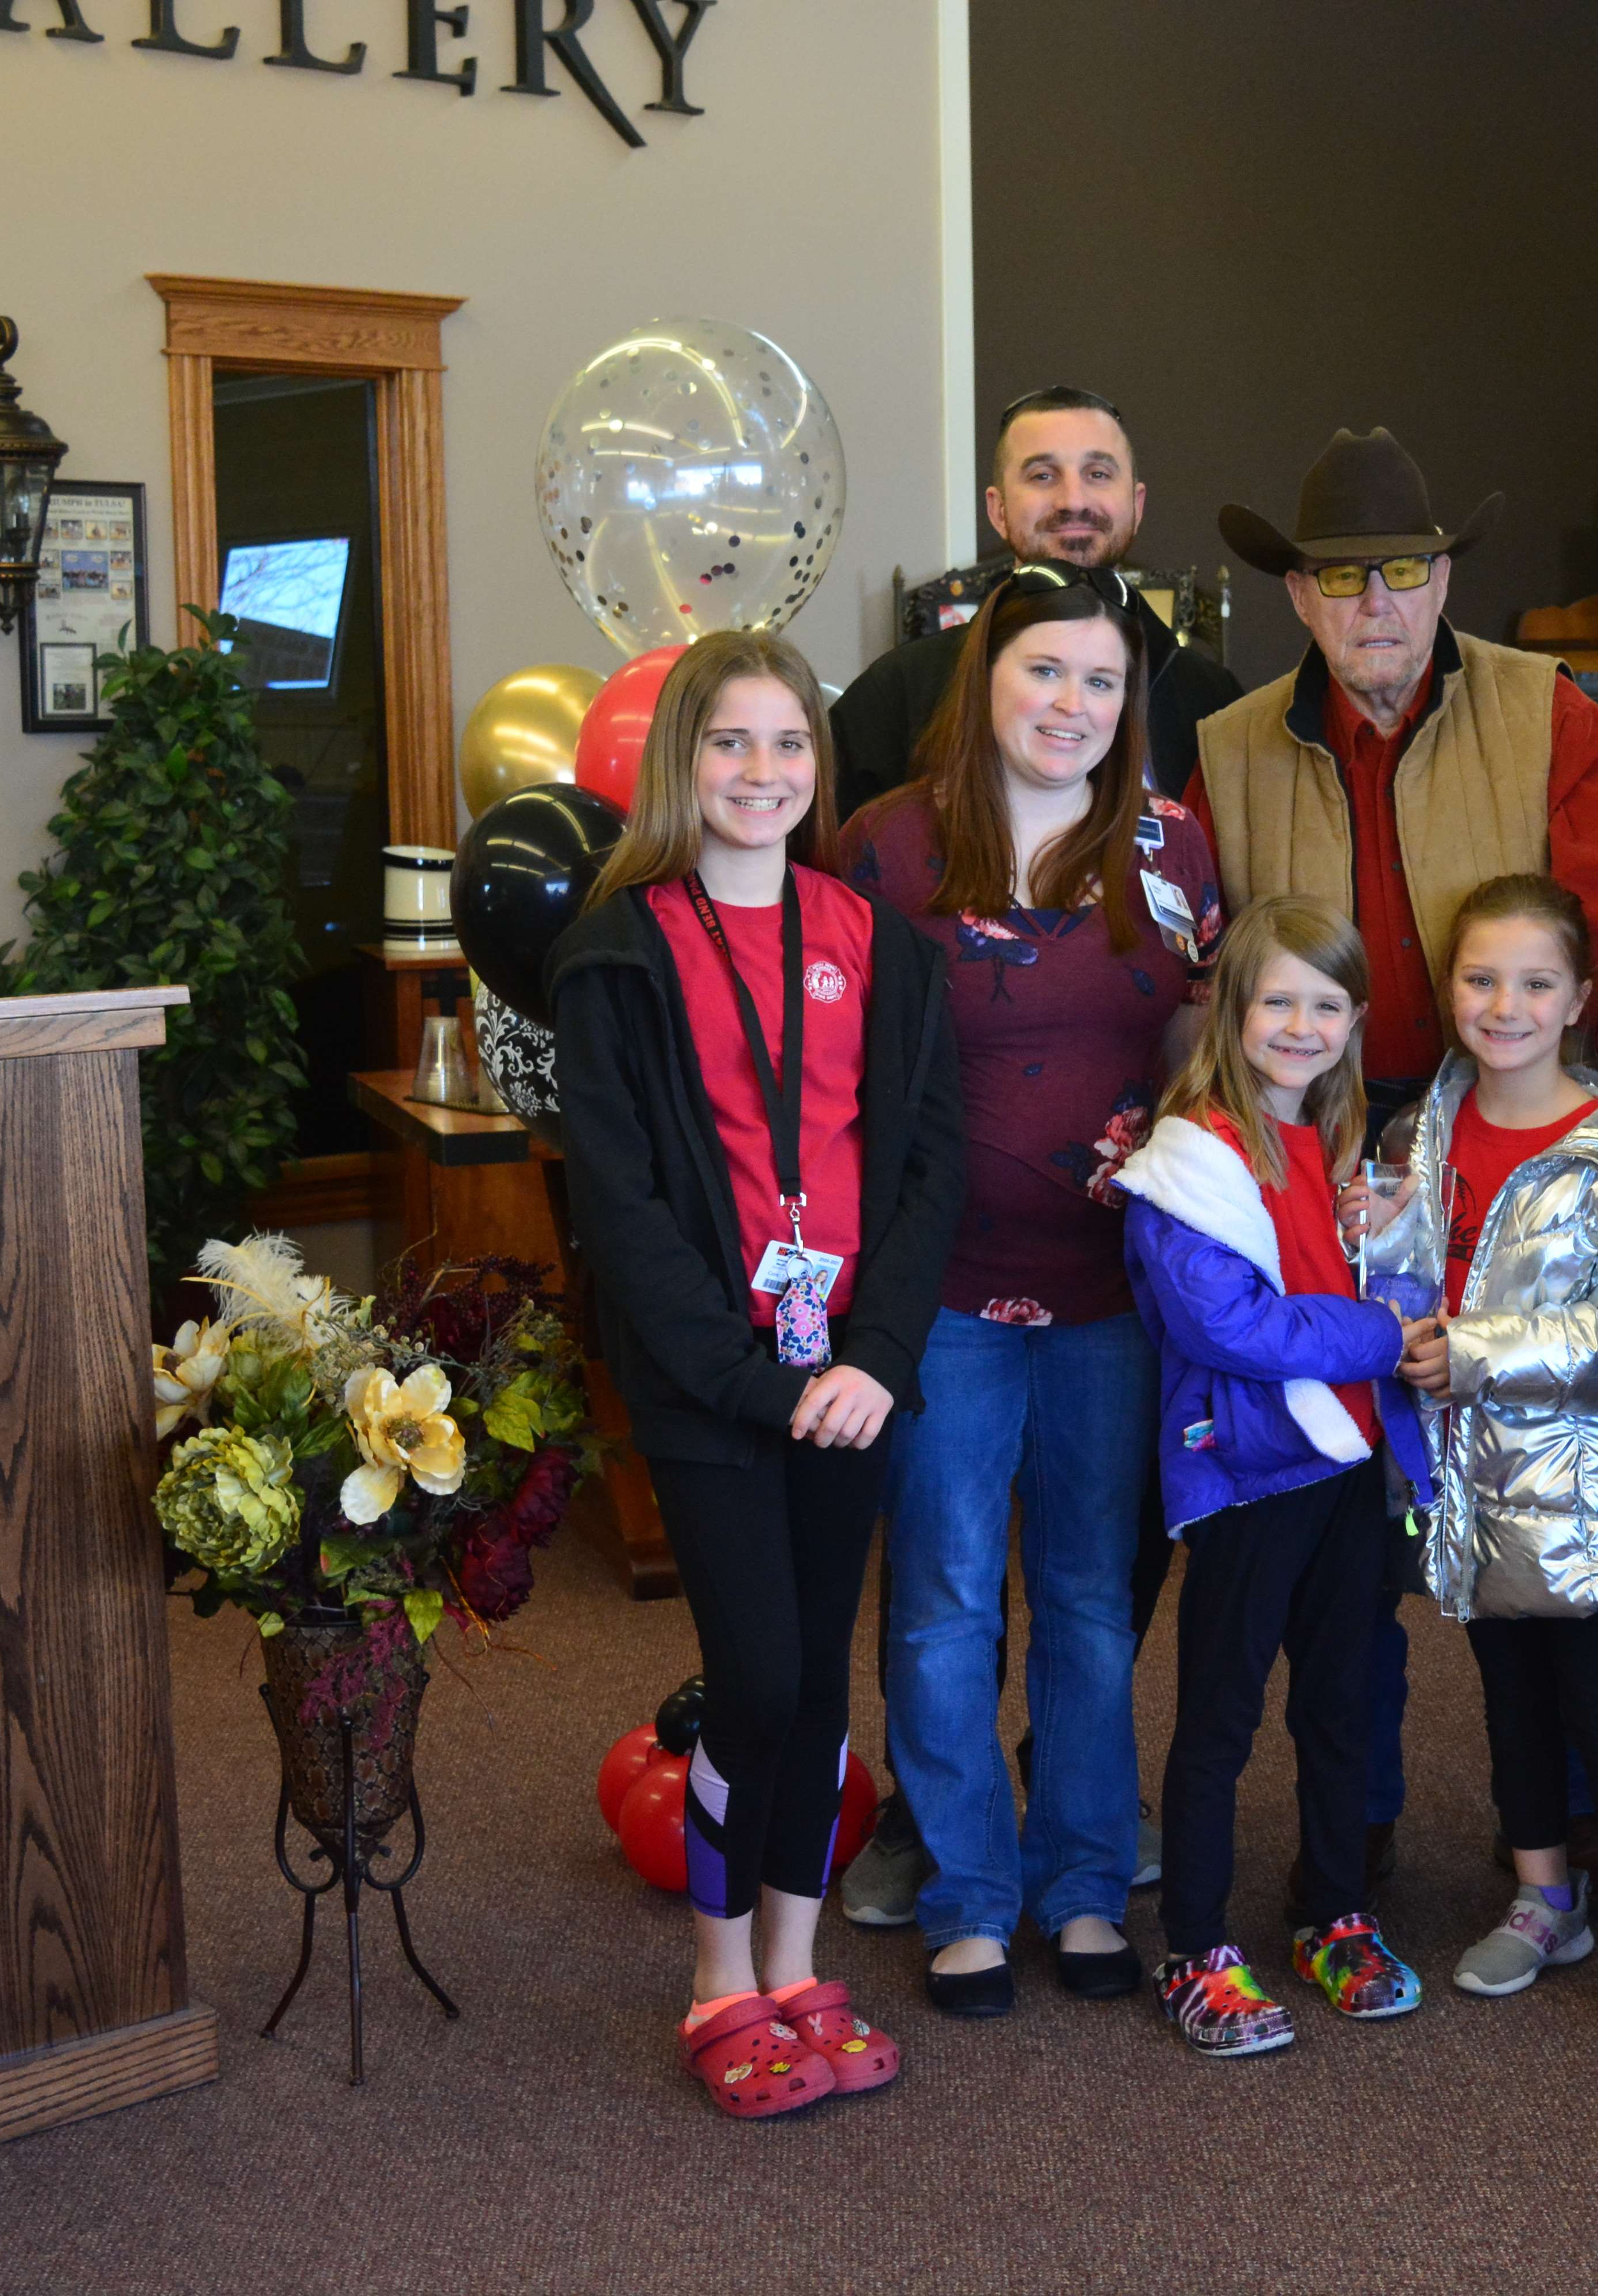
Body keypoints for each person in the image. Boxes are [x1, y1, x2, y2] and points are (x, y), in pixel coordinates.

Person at [1186, 426, 1598, 1889]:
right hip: (1332, 1161)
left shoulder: (1551, 714)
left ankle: (1580, 1838)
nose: (1378, 603)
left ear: (1442, 580)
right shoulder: (1228, 748)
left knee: (1543, 1496)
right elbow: (1201, 975)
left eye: (1406, 572)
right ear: (1298, 596)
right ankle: (1351, 1844)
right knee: (1348, 1518)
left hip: (1518, 1134)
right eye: (1344, 577)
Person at [545, 629, 965, 2117]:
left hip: (845, 1381)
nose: (762, 773)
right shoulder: (616, 954)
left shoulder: (875, 944)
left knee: (821, 1685)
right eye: (730, 743)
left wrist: (876, 1361)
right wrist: (752, 1379)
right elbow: (622, 1205)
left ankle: (796, 1965)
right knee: (761, 1679)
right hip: (715, 1388)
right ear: (681, 763)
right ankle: (720, 1982)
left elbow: (925, 1168)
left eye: (790, 745)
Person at [830, 389, 1223, 1930]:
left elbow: (1203, 1049)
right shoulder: (886, 850)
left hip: (1113, 1298)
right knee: (935, 1602)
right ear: (986, 674)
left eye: (1100, 680)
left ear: (1132, 698)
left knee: (1085, 1600)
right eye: (1041, 669)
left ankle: (1078, 1876)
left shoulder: (1175, 852)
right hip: (940, 1295)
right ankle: (966, 1888)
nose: (1068, 700)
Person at [1362, 875, 1598, 2060]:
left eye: (1534, 982)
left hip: (1575, 1482)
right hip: (1457, 1473)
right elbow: (1389, 1275)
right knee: (1505, 1692)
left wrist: (1470, 1351)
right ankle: (1543, 1896)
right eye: (1479, 978)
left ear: (1578, 1000)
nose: (1503, 1004)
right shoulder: (1417, 1127)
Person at [1115, 896, 1434, 2057]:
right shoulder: (1186, 1158)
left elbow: (1389, 1287)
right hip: (1253, 1473)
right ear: (1234, 1011)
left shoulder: (1344, 1146)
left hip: (1349, 1466)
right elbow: (1231, 1327)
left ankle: (1333, 1911)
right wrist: (1385, 1338)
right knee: (1221, 1712)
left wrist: (1407, 1307)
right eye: (1279, 1000)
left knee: (1347, 1697)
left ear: (1356, 1020)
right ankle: (1197, 1940)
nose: (1303, 1024)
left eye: (1328, 1003)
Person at [830, 385, 1239, 810]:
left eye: (1098, 474)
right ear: (999, 510)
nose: (1073, 500)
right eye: (1042, 476)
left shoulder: (1210, 701)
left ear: (1136, 505)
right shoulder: (897, 694)